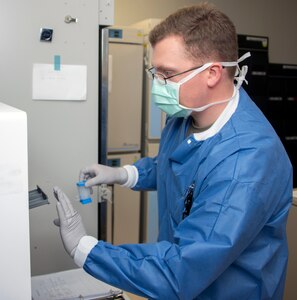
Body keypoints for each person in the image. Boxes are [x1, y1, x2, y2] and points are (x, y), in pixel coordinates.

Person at [54, 3, 293, 299]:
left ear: (213, 73)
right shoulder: (185, 116)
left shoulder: (247, 161)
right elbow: (176, 165)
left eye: (167, 74)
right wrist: (122, 173)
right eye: (154, 72)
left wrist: (85, 249)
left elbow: (180, 270)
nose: (157, 84)